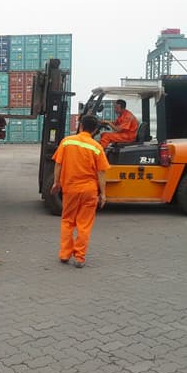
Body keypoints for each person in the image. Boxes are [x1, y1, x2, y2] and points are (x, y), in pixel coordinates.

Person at [51, 114, 110, 268]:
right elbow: (101, 172)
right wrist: (103, 194)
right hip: (89, 190)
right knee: (84, 224)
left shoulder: (67, 141)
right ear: (95, 130)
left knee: (67, 221)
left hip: (70, 189)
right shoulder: (96, 147)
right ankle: (79, 258)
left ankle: (64, 254)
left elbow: (58, 164)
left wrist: (56, 183)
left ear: (81, 125)